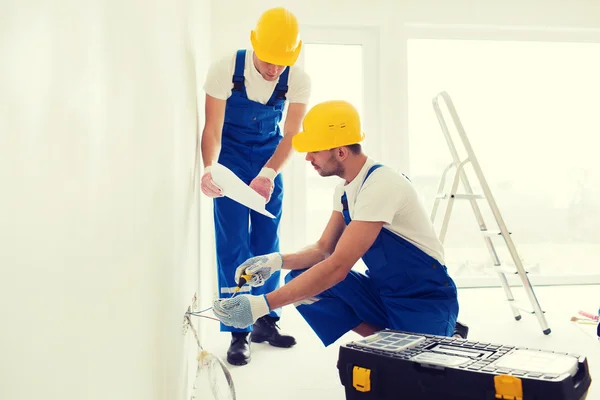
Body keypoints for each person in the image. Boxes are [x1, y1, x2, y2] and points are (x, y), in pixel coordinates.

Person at [211, 100, 463, 346]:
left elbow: (338, 266)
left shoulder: (382, 185)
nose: (308, 157)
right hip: (385, 293)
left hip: (424, 298)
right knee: (300, 279)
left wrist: (261, 304)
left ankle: (431, 337)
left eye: (315, 150)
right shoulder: (344, 191)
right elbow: (323, 250)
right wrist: (276, 261)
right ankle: (388, 342)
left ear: (341, 151)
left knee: (417, 377)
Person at [199, 7, 311, 365]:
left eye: (282, 62)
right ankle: (237, 331)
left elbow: (292, 134)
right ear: (254, 45)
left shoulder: (297, 78)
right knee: (234, 244)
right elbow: (212, 130)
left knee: (267, 243)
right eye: (269, 60)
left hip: (269, 161)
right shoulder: (225, 69)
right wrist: (209, 169)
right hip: (229, 161)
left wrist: (269, 173)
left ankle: (266, 319)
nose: (274, 69)